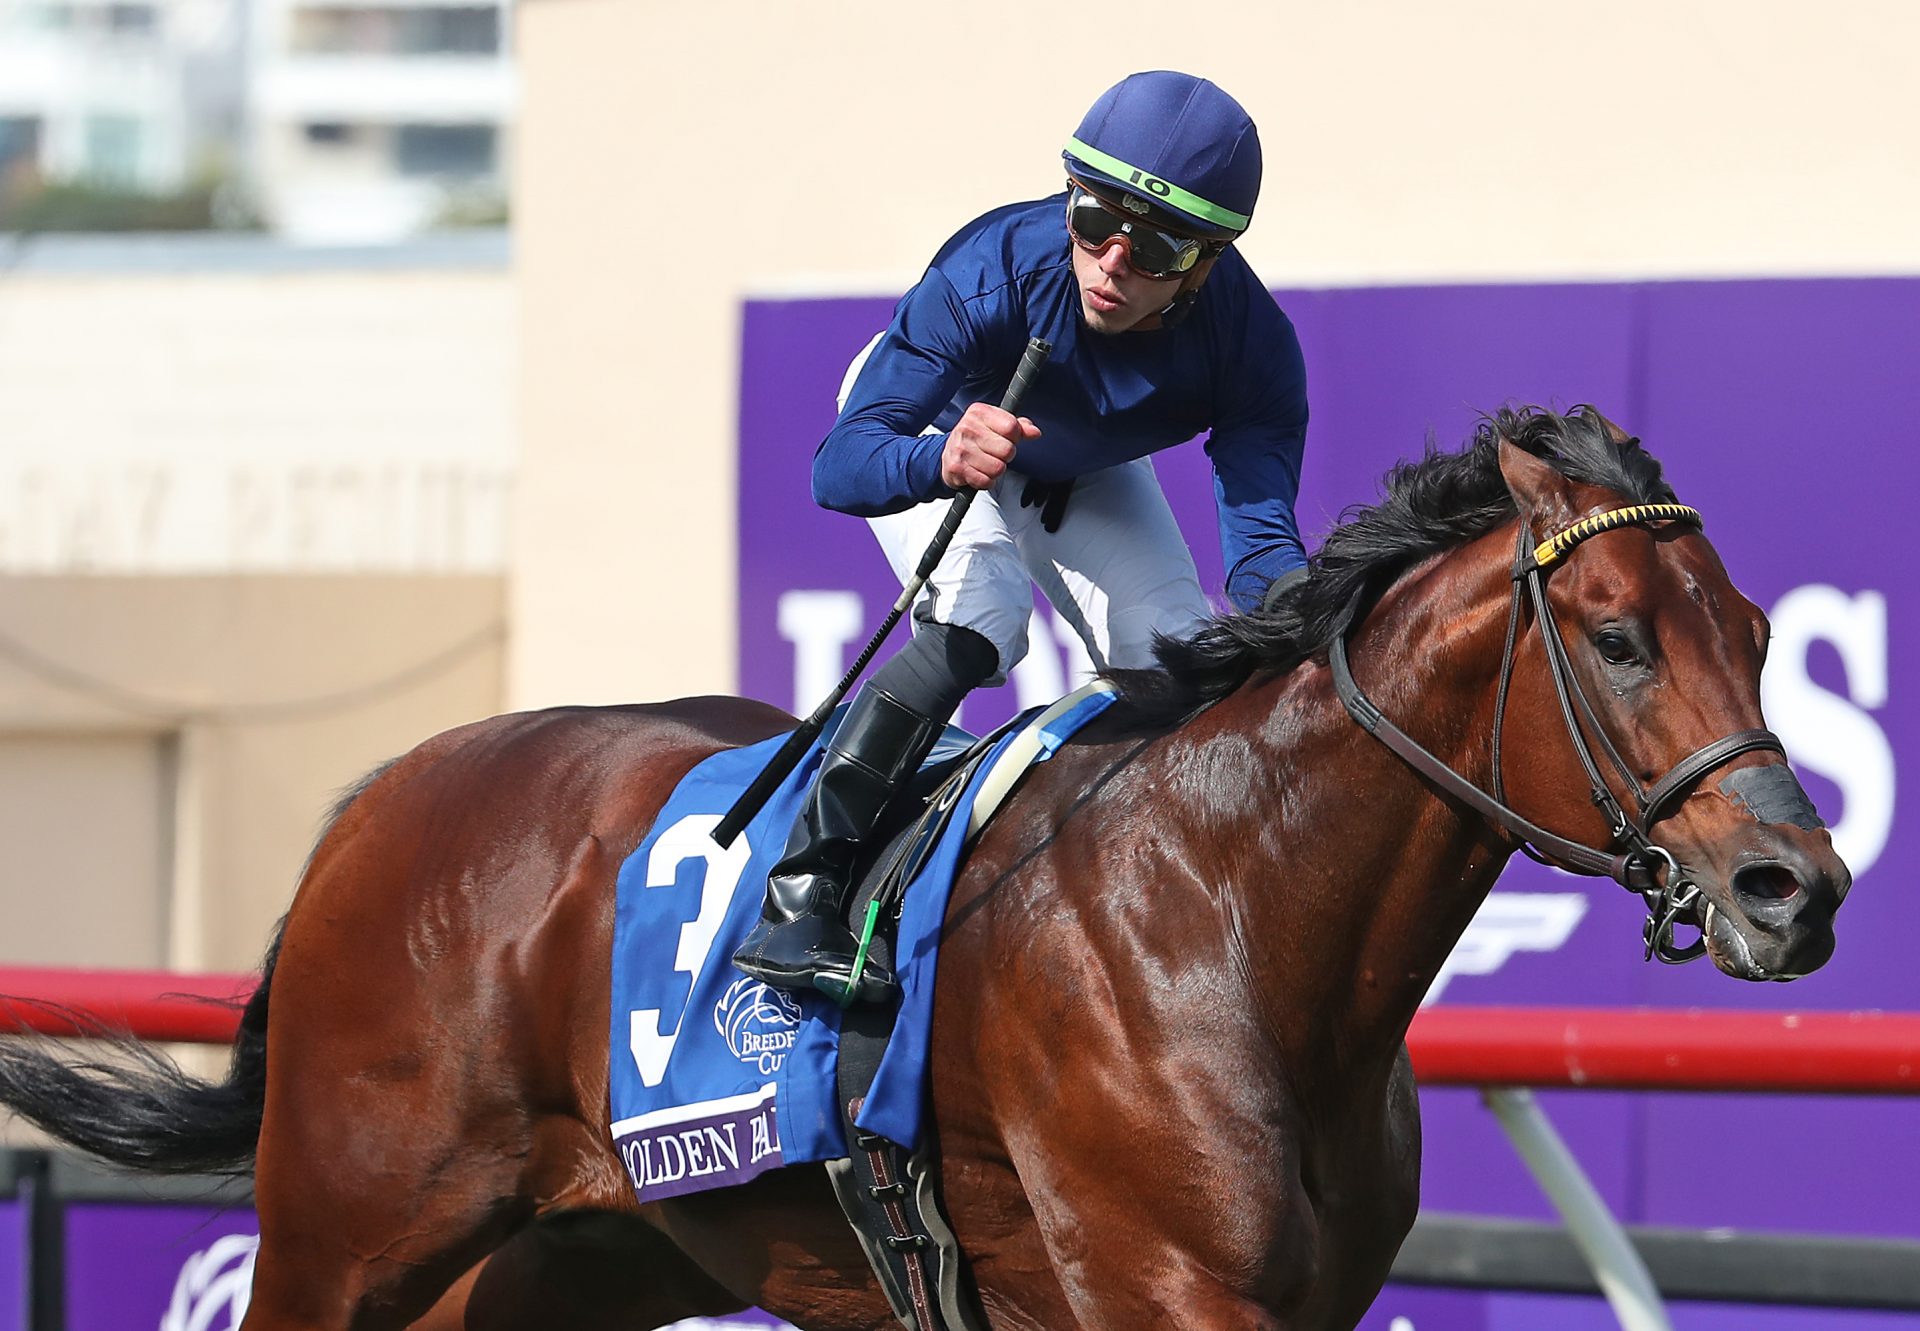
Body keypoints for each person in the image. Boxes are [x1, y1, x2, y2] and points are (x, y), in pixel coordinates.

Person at [732, 70, 1310, 1002]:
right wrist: (941, 462)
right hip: (935, 428)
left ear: (1209, 265)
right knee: (981, 618)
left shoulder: (1256, 349)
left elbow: (1259, 551)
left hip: (1079, 463)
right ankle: (802, 900)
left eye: (1157, 245)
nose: (1113, 261)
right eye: (1094, 221)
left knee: (1178, 660)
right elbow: (837, 464)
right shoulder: (996, 264)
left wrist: (1320, 624)